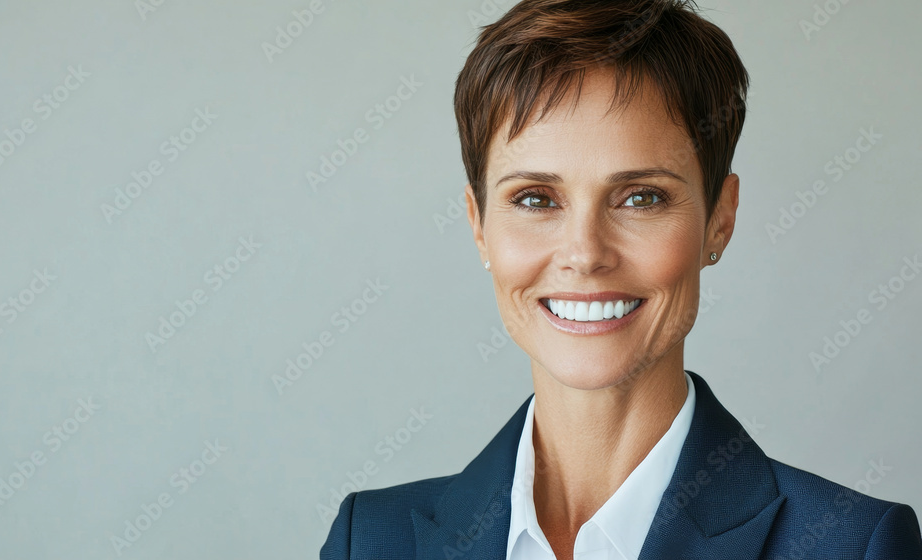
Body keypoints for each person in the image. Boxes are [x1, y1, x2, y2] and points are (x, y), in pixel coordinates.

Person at [320, 0, 922, 558]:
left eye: (640, 197)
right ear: (479, 226)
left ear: (720, 219)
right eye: (534, 199)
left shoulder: (853, 545)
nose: (584, 254)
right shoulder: (371, 540)